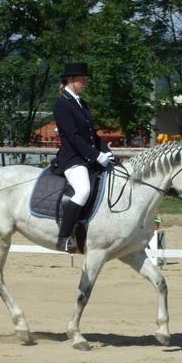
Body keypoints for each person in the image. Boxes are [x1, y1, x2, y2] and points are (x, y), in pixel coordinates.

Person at [52, 62, 114, 253]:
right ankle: (63, 238)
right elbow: (72, 136)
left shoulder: (80, 102)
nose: (85, 83)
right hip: (73, 158)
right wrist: (96, 155)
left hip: (87, 157)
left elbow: (91, 134)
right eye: (82, 79)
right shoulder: (62, 103)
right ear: (71, 80)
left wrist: (106, 151)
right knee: (83, 190)